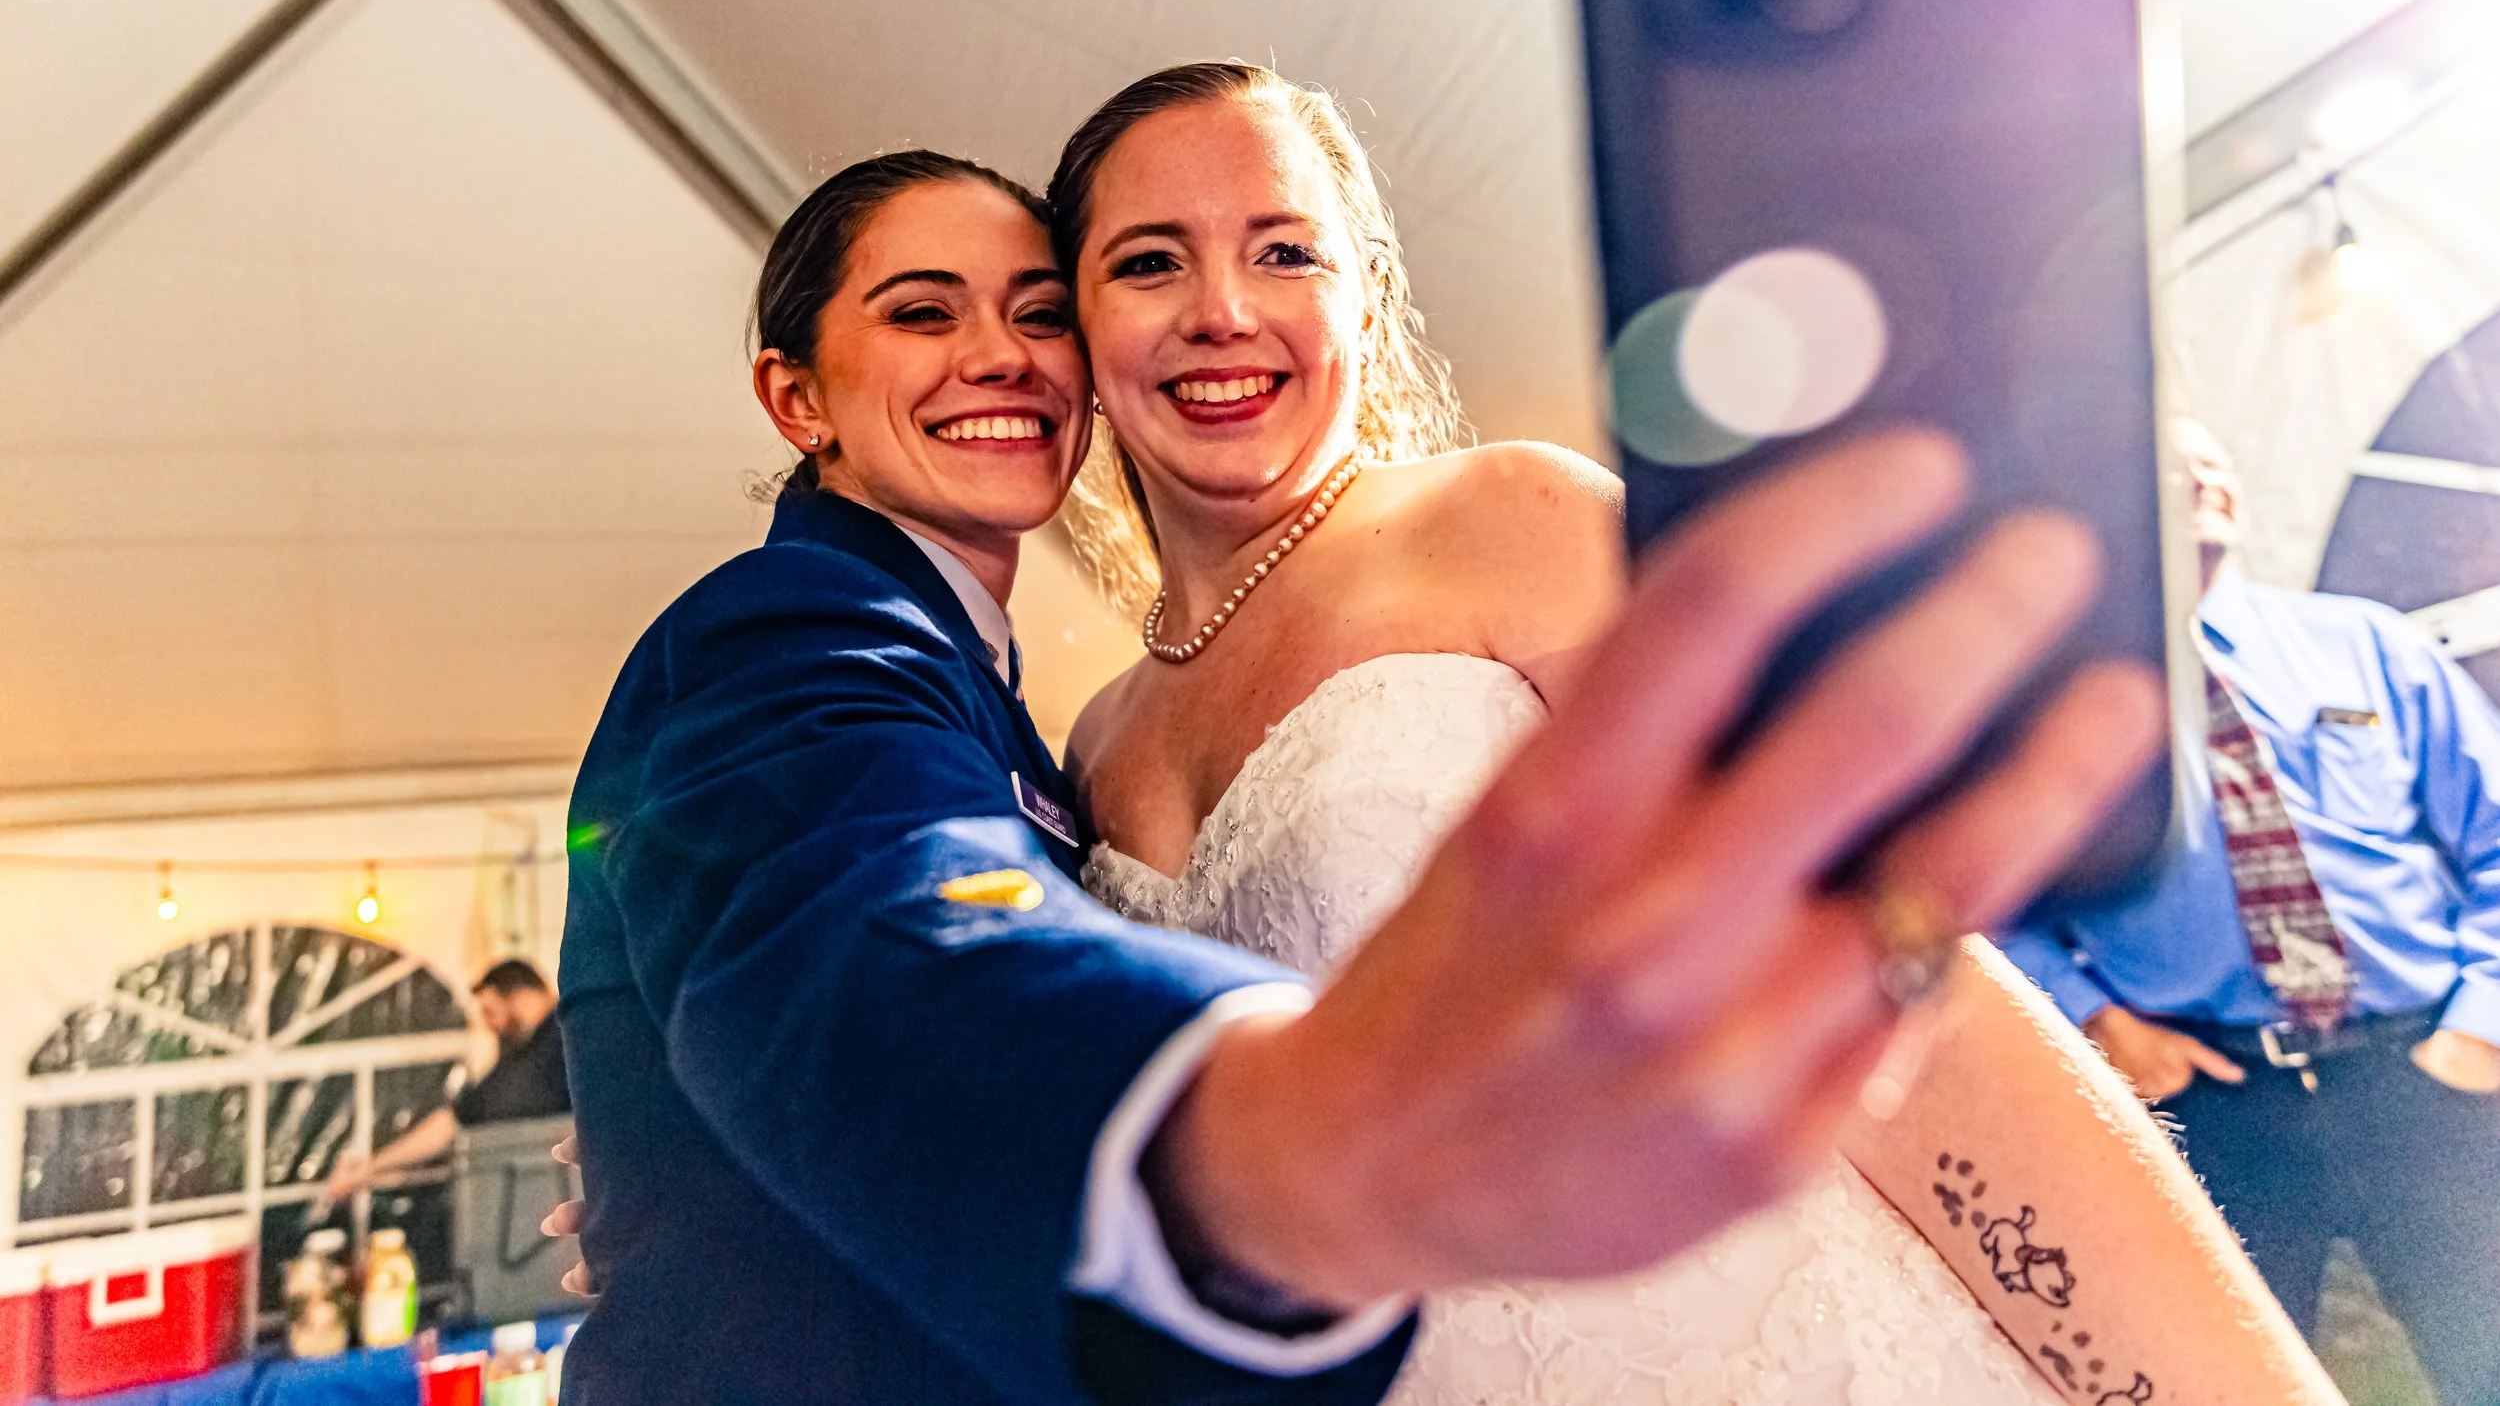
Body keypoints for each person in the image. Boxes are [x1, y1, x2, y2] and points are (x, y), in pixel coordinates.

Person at [555, 144, 2169, 1406]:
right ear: (795, 396)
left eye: (1032, 307)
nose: (1005, 354)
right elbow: (864, 913)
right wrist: (1263, 1150)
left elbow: (1906, 990)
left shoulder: (1476, 534)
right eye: (922, 311)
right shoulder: (802, 627)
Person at [1058, 62, 2337, 1404]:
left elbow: (1909, 980)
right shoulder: (1091, 744)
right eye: (1151, 261)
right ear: (1071, 320)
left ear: (1362, 294)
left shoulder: (1508, 522)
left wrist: (2212, 1385)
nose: (1224, 310)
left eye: (1284, 250)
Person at [2004, 417, 2500, 1403]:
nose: (2199, 469)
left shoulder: (2362, 643)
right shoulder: (2047, 692)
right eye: (2164, 454)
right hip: (2207, 1094)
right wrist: (2090, 1017)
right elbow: (1986, 890)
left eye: (2211, 454)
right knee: (2215, 1377)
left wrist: (2485, 1015)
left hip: (2421, 1074)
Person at [325, 959, 569, 1206]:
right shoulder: (527, 1055)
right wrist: (372, 1168)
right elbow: (460, 1118)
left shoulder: (558, 1046)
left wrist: (370, 1168)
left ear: (519, 998)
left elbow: (455, 1122)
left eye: (490, 1012)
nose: (488, 1025)